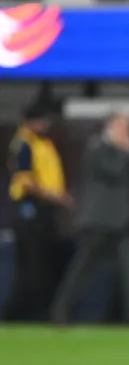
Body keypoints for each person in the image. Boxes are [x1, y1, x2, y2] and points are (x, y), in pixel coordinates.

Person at [51, 112, 129, 325]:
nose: (127, 131)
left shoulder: (126, 151)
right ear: (111, 125)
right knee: (82, 272)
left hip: (121, 223)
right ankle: (60, 312)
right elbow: (113, 171)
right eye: (123, 126)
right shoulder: (96, 148)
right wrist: (127, 151)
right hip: (98, 222)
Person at [4, 99, 70, 322]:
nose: (44, 125)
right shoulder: (24, 143)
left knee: (43, 263)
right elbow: (26, 179)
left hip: (45, 210)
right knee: (32, 266)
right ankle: (14, 316)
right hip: (30, 209)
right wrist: (52, 195)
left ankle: (36, 314)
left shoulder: (42, 143)